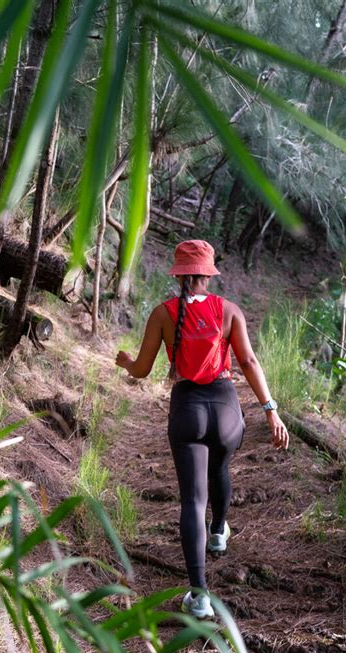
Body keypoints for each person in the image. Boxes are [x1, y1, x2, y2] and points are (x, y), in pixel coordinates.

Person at [116, 240, 289, 619]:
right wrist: (270, 411)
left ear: (178, 274)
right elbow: (248, 360)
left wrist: (126, 363)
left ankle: (199, 596)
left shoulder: (163, 313)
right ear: (208, 275)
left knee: (192, 500)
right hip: (226, 411)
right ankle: (218, 531)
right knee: (221, 469)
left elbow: (143, 369)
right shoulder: (229, 310)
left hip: (188, 411)